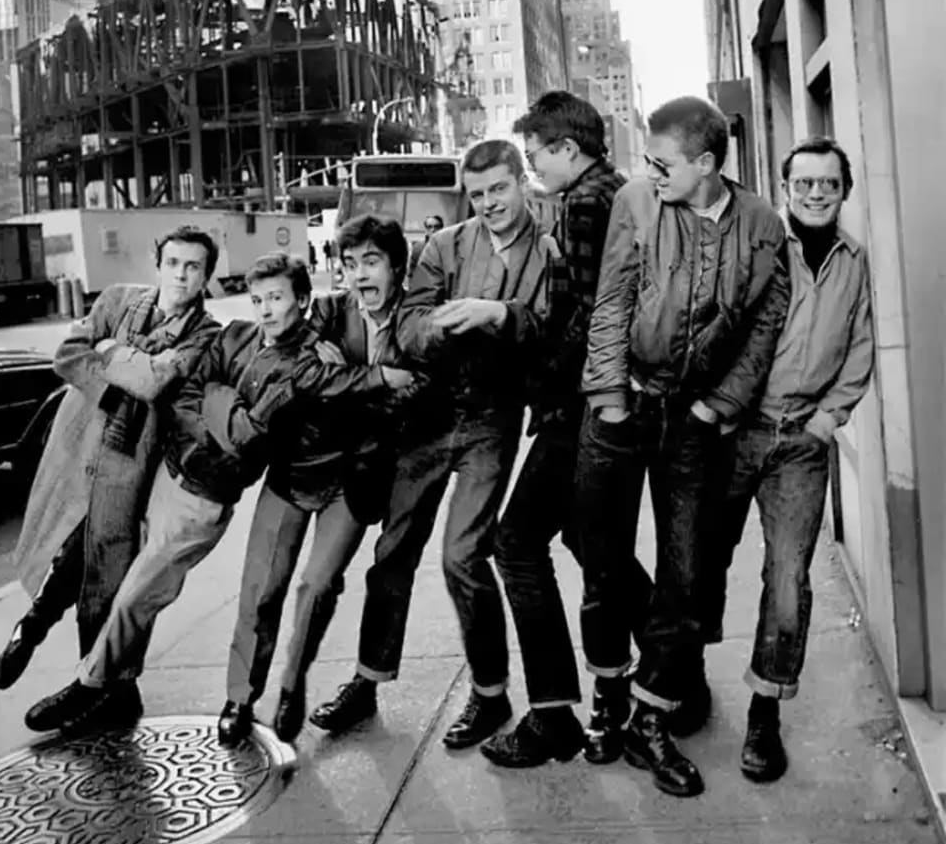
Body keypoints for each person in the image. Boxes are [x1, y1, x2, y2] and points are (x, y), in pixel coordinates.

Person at [23, 252, 412, 735]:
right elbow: (188, 397)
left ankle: (91, 683)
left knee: (147, 594)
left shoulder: (309, 360)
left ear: (302, 301)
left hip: (211, 496)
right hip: (168, 477)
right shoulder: (234, 336)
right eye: (257, 300)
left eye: (276, 299)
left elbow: (251, 436)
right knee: (162, 581)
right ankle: (232, 699)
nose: (265, 310)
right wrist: (224, 408)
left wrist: (220, 403)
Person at [577, 96, 790, 797]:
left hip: (694, 420)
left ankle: (651, 715)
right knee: (599, 552)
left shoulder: (761, 223)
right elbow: (612, 299)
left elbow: (765, 324)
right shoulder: (636, 203)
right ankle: (624, 685)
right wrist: (609, 395)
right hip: (624, 407)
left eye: (663, 162)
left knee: (688, 572)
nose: (651, 171)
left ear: (705, 163)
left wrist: (718, 404)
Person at [310, 139, 551, 749]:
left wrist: (499, 315)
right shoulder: (444, 246)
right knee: (392, 553)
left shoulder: (548, 248)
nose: (489, 203)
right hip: (429, 417)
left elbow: (550, 329)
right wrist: (447, 328)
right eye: (478, 193)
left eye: (499, 189)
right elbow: (412, 324)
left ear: (522, 184)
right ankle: (367, 681)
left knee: (462, 556)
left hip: (491, 422)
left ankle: (490, 695)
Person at [481, 91, 652, 769]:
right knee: (591, 541)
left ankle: (555, 713)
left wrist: (545, 375)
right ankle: (670, 673)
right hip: (609, 403)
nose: (532, 170)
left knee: (518, 542)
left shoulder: (585, 203)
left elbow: (590, 312)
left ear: (568, 149)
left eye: (536, 156)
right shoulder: (619, 192)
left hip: (581, 405)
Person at [707, 136, 873, 783]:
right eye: (804, 183)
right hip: (736, 431)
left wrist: (829, 419)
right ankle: (680, 681)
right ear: (786, 188)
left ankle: (764, 711)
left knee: (787, 580)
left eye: (828, 184)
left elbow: (860, 346)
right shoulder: (761, 248)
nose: (815, 194)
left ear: (844, 191)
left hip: (801, 442)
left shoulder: (854, 262)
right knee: (698, 563)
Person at [0, 226, 221, 697]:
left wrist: (111, 349)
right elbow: (67, 356)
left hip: (136, 463)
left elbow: (155, 383)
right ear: (158, 265)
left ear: (206, 276)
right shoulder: (117, 300)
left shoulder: (206, 334)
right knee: (65, 547)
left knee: (108, 571)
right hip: (81, 449)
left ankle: (74, 662)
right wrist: (124, 376)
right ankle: (45, 637)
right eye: (173, 263)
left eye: (193, 267)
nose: (180, 275)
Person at [218, 216, 419, 746]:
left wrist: (358, 380)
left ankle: (291, 686)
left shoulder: (408, 320)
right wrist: (370, 379)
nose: (267, 310)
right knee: (262, 590)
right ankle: (240, 696)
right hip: (289, 474)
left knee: (317, 586)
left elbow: (411, 390)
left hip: (350, 477)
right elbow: (296, 374)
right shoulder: (319, 321)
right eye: (350, 265)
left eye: (371, 262)